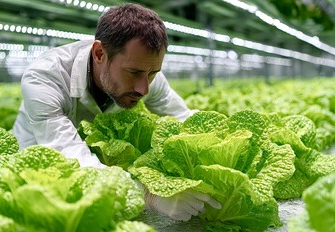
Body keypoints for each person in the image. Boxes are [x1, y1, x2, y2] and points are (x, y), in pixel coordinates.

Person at [13, 3, 220, 221]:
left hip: (107, 176)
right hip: (38, 170)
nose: (144, 88)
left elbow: (185, 119)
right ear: (100, 53)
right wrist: (149, 195)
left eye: (153, 73)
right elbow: (70, 156)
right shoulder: (45, 77)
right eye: (134, 72)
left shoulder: (145, 75)